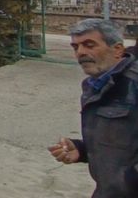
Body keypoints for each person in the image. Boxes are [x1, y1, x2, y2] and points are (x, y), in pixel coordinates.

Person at [48, 18, 138, 198]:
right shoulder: (93, 86)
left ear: (117, 50)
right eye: (76, 47)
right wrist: (81, 150)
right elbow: (120, 144)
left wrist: (129, 181)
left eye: (89, 45)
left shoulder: (133, 84)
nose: (80, 52)